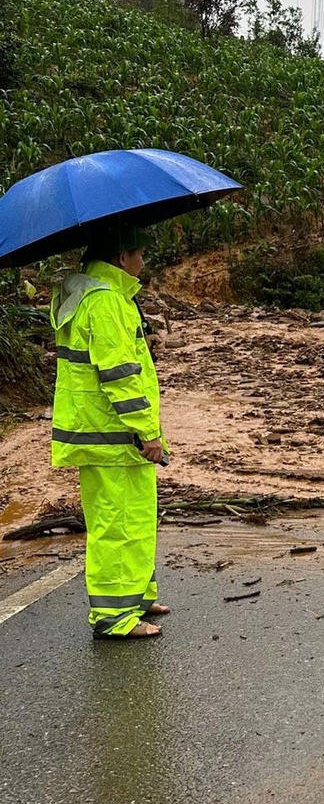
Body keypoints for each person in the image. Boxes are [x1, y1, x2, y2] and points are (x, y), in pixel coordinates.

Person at [50, 226, 170, 640]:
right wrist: (147, 431)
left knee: (135, 517)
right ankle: (114, 618)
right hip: (112, 433)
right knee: (118, 523)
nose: (142, 264)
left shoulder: (93, 295)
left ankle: (135, 595)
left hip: (103, 431)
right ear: (121, 258)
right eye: (139, 254)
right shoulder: (104, 303)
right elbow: (119, 376)